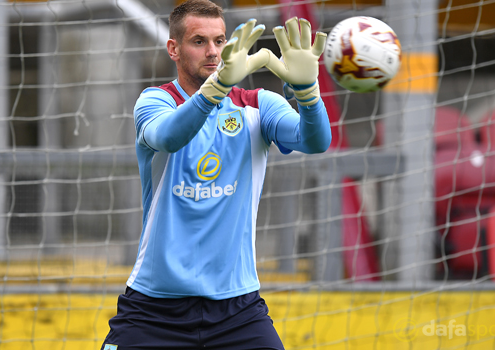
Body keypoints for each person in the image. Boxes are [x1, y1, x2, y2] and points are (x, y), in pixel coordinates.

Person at [101, 0, 330, 349]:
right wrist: (217, 87)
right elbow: (169, 137)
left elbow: (315, 141)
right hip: (154, 308)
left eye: (220, 41)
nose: (213, 52)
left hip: (238, 311)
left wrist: (308, 92)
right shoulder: (154, 102)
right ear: (173, 49)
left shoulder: (258, 104)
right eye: (199, 41)